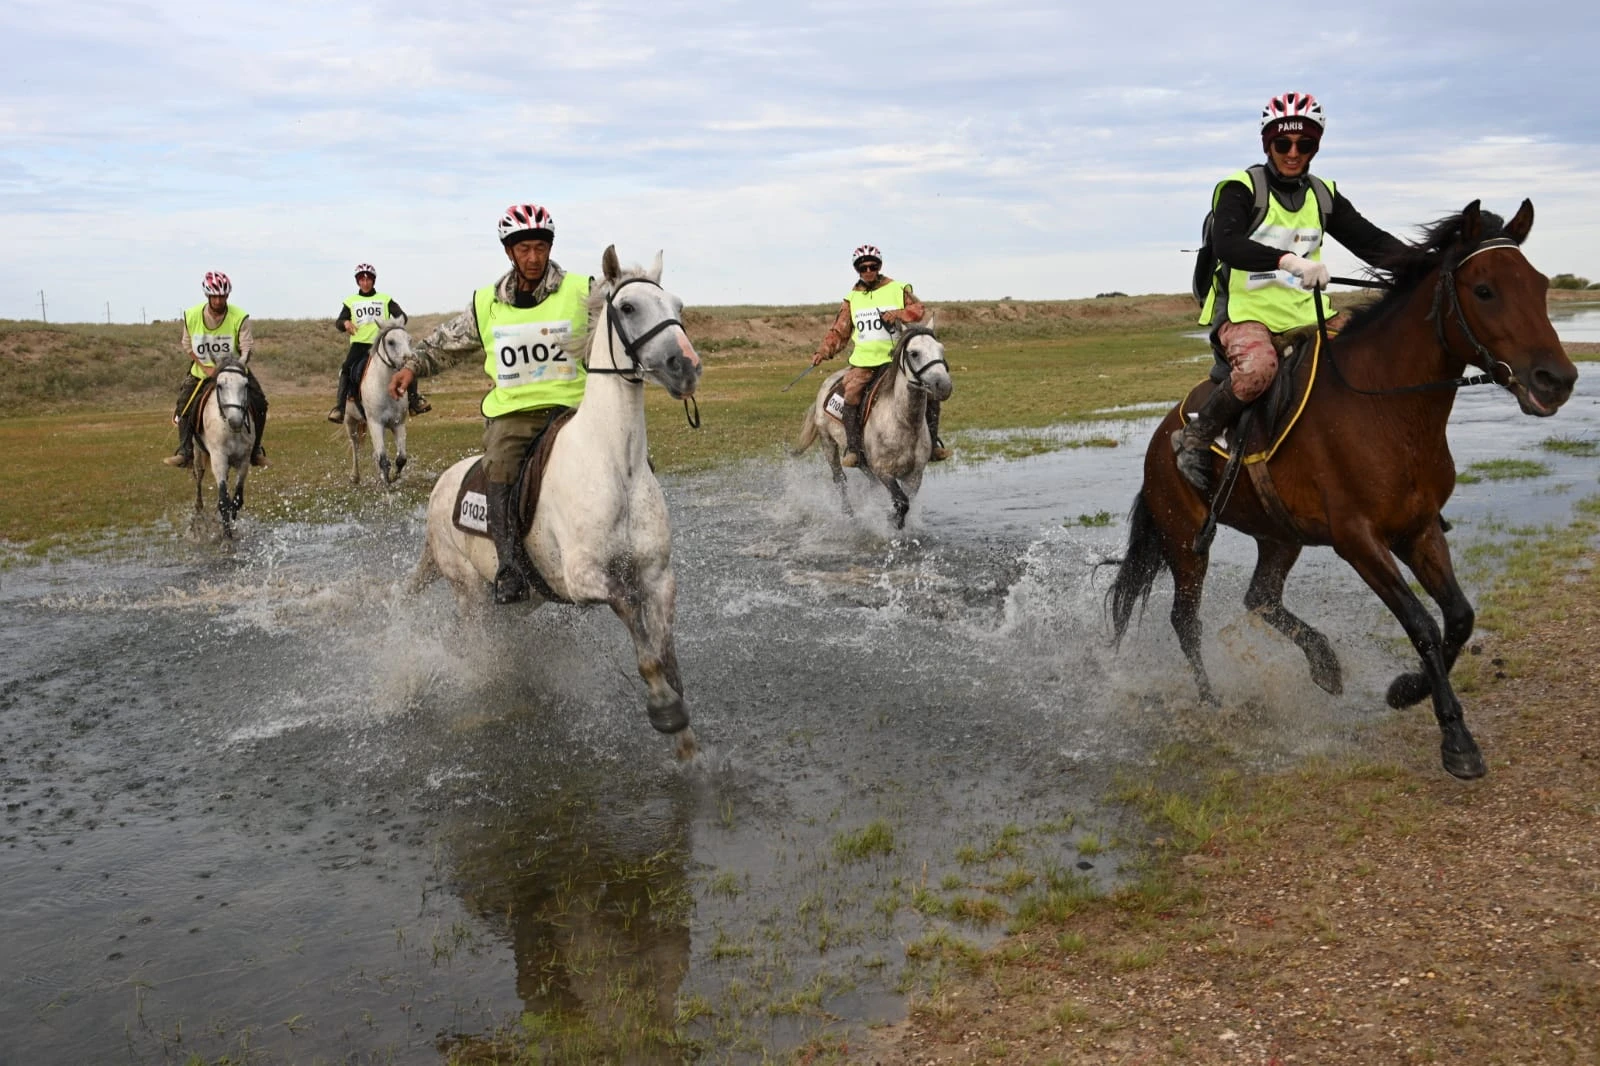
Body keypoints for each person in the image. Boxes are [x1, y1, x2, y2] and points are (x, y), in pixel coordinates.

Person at [1181, 91, 1409, 490]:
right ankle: (1195, 437)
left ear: (1315, 146)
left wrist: (1426, 265)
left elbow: (1373, 242)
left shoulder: (1324, 195)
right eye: (1282, 143)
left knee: (1370, 359)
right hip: (1246, 316)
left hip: (1309, 314)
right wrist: (1289, 261)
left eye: (1304, 144)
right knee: (1257, 371)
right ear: (1267, 144)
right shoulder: (1239, 189)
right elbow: (1227, 244)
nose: (1292, 152)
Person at [387, 203, 590, 604]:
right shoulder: (487, 303)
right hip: (514, 415)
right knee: (499, 466)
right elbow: (445, 343)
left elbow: (621, 325)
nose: (533, 258)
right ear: (509, 253)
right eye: (524, 249)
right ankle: (510, 566)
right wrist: (412, 367)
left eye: (540, 247)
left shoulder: (582, 291)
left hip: (572, 410)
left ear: (550, 248)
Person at [809, 244, 949, 468]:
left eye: (872, 266)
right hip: (864, 362)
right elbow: (840, 331)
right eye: (863, 267)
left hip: (895, 361)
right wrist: (823, 352)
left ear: (879, 266)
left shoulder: (897, 288)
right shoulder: (851, 299)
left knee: (929, 393)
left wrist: (898, 313)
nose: (868, 270)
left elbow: (918, 310)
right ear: (857, 269)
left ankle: (932, 445)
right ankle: (854, 449)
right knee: (851, 394)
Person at [164, 271, 269, 468]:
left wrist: (240, 364)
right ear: (208, 296)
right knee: (183, 406)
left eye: (222, 296)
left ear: (228, 296)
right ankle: (185, 451)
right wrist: (206, 368)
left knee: (260, 402)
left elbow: (246, 346)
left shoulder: (240, 317)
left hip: (234, 371)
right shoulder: (192, 315)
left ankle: (255, 450)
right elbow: (187, 345)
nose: (219, 300)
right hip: (203, 371)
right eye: (215, 296)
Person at [327, 263, 429, 422]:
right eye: (361, 280)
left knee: (407, 363)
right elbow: (339, 321)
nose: (365, 283)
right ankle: (340, 408)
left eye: (368, 280)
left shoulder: (385, 299)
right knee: (347, 368)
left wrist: (392, 326)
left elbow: (402, 316)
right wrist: (345, 323)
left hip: (383, 345)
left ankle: (414, 400)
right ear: (358, 282)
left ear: (373, 281)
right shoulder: (351, 301)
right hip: (360, 344)